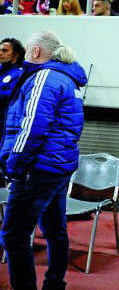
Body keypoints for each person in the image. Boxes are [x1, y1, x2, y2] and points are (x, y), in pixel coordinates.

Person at [0, 30, 87, 290]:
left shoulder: (45, 77)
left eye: (28, 49)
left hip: (38, 167)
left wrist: (15, 165)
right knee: (55, 230)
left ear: (36, 51)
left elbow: (32, 127)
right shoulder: (66, 77)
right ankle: (55, 284)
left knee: (14, 235)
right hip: (57, 166)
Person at [0, 38, 25, 142]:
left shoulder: (20, 74)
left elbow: (13, 96)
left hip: (4, 127)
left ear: (16, 54)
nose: (0, 53)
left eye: (4, 50)